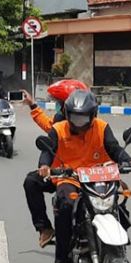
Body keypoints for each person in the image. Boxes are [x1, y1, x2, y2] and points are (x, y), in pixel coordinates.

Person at [37, 90, 131, 263]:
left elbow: (115, 149)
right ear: (67, 114)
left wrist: (130, 160)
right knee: (65, 205)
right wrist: (45, 166)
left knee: (117, 206)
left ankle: (118, 251)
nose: (79, 123)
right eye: (75, 118)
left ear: (92, 115)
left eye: (83, 118)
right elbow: (48, 150)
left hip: (98, 177)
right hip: (70, 177)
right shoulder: (59, 129)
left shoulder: (101, 127)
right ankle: (61, 258)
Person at [21, 79, 89, 247]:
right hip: (61, 174)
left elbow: (110, 147)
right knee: (31, 182)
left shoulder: (94, 123)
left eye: (60, 103)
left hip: (87, 176)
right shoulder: (60, 122)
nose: (59, 108)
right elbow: (49, 135)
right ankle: (45, 228)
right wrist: (33, 105)